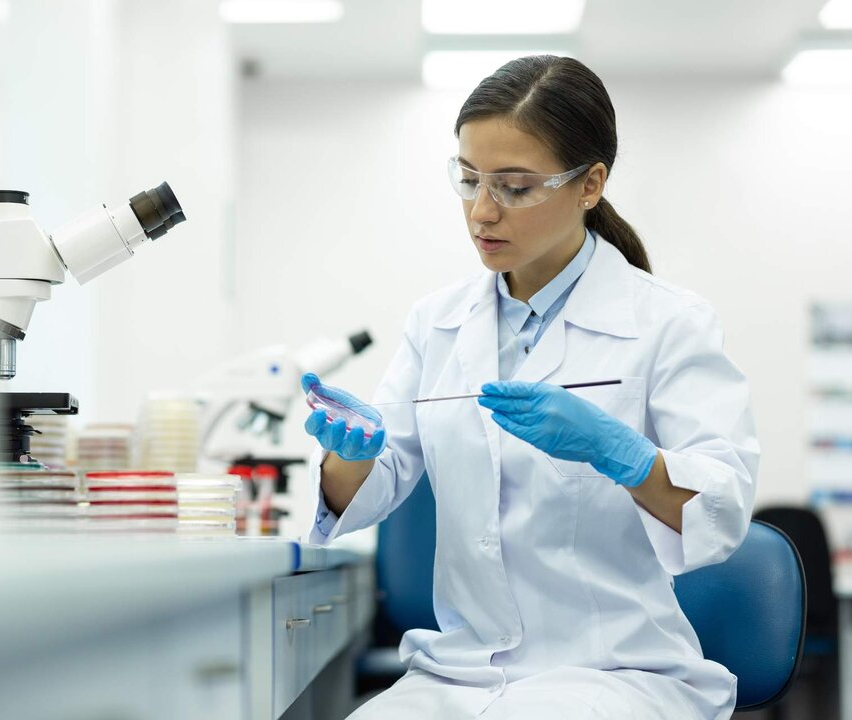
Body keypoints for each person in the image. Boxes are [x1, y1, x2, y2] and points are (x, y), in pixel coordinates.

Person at [301, 55, 759, 720]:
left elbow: (721, 507)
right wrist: (351, 451)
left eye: (515, 188)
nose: (482, 212)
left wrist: (624, 455)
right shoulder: (438, 323)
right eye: (468, 180)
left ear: (590, 184)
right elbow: (373, 485)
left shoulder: (669, 323)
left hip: (615, 672)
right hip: (457, 675)